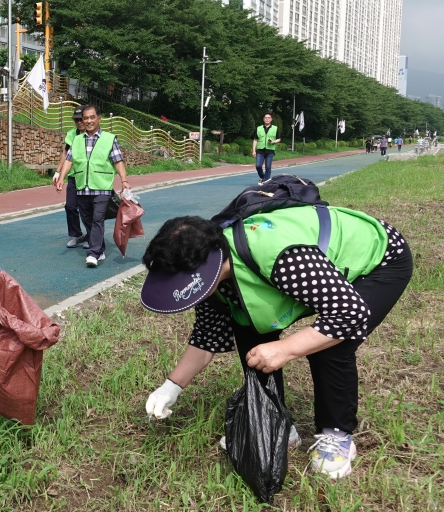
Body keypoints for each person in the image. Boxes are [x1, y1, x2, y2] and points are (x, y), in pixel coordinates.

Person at [139, 205, 412, 480]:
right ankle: (276, 424)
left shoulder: (281, 257)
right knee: (247, 326)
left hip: (379, 260)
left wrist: (285, 349)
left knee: (330, 345)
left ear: (205, 268)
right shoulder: (212, 283)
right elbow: (206, 339)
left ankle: (337, 435)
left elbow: (349, 314)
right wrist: (170, 388)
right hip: (318, 280)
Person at [53, 104, 131, 268]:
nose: (88, 121)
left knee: (97, 218)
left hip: (102, 187)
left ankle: (93, 253)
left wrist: (124, 180)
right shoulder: (77, 139)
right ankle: (99, 246)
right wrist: (61, 176)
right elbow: (69, 160)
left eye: (91, 117)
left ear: (99, 118)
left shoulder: (109, 138)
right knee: (87, 218)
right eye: (85, 118)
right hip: (82, 186)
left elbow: (118, 160)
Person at [55, 106, 88, 248]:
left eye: (81, 119)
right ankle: (76, 234)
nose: (79, 122)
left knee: (87, 209)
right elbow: (65, 154)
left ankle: (92, 236)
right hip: (74, 176)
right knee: (70, 206)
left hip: (88, 177)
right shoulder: (71, 134)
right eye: (76, 120)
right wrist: (58, 172)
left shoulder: (93, 134)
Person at [251, 113, 281, 184]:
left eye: (269, 118)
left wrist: (273, 142)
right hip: (260, 150)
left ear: (271, 119)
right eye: (266, 118)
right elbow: (255, 140)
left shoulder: (275, 128)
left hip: (270, 150)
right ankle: (263, 177)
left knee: (268, 167)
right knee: (258, 166)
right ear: (263, 119)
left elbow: (279, 139)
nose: (267, 119)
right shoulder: (259, 128)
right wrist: (253, 150)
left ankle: (265, 181)